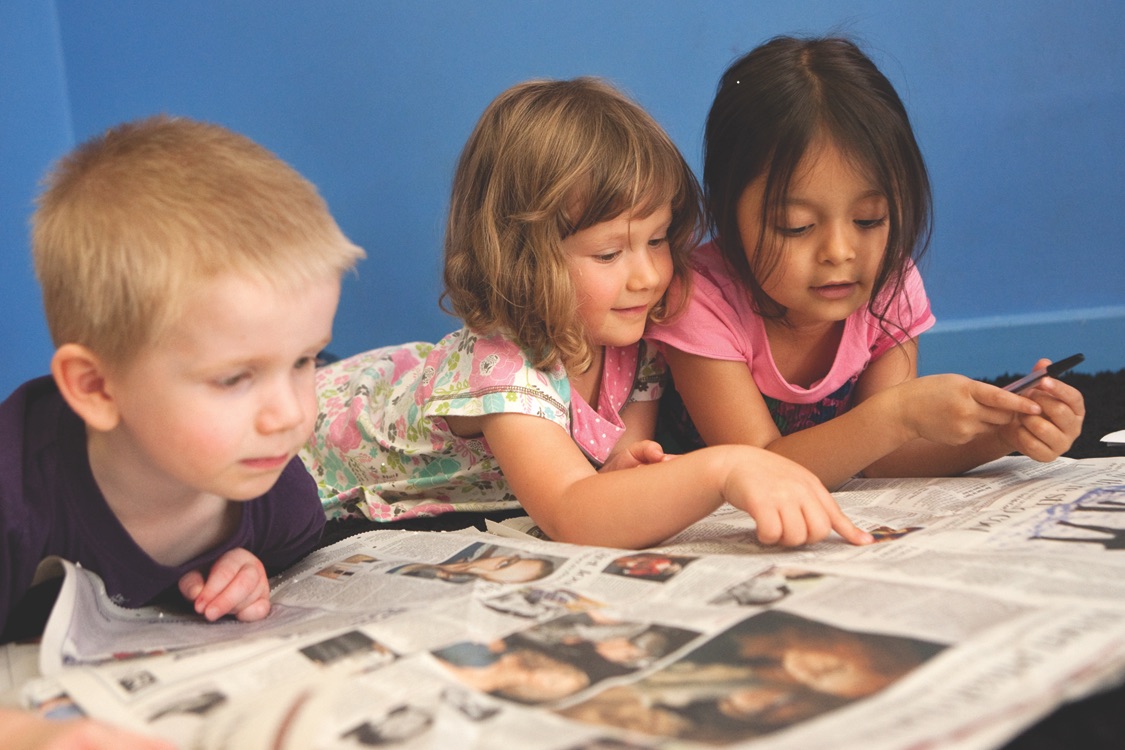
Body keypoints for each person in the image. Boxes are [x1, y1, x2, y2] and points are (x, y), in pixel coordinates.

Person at [302, 77, 872, 550]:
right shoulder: (503, 368)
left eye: (657, 240)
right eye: (609, 253)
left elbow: (617, 475)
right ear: (523, 258)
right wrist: (723, 469)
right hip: (318, 432)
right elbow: (573, 514)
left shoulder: (633, 344)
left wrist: (630, 479)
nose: (648, 275)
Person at [0, 115, 363, 746]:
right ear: (97, 387)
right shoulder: (15, 498)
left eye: (304, 360)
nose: (288, 415)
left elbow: (289, 540)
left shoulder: (278, 496)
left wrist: (248, 565)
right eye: (233, 379)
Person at [647, 36, 1085, 490]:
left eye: (868, 219)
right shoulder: (698, 297)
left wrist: (1005, 433)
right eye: (796, 226)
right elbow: (761, 468)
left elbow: (887, 457)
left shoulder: (889, 286)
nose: (840, 251)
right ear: (727, 214)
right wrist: (897, 414)